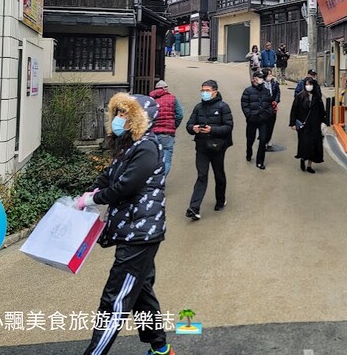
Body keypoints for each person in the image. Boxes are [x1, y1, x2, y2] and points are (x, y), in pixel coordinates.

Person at [75, 93, 171, 355]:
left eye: (124, 114)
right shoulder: (129, 146)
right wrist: (85, 195)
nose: (119, 119)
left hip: (140, 233)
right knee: (141, 292)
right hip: (133, 230)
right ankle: (161, 348)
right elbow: (108, 177)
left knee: (115, 300)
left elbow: (125, 187)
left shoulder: (147, 147)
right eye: (116, 113)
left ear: (139, 118)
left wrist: (93, 198)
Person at [185, 79, 233, 221]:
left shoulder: (223, 107)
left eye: (207, 91)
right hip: (201, 146)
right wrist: (193, 128)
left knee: (219, 174)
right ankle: (194, 208)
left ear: (215, 91)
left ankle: (220, 199)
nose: (204, 93)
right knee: (202, 175)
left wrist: (213, 130)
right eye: (202, 90)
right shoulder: (198, 107)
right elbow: (189, 125)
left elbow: (228, 126)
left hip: (218, 146)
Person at [290, 78, 326, 173]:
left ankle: (309, 165)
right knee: (304, 144)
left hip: (314, 125)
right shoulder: (300, 96)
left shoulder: (317, 98)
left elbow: (322, 112)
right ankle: (303, 158)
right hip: (303, 125)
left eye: (310, 84)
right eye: (306, 84)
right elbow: (294, 110)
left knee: (313, 145)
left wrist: (323, 122)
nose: (308, 86)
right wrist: (293, 123)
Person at [241, 70, 274, 169]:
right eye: (258, 77)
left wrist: (268, 113)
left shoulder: (266, 91)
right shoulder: (248, 91)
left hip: (263, 120)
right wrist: (249, 115)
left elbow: (269, 104)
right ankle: (249, 152)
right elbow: (244, 105)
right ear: (254, 79)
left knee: (263, 140)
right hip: (252, 120)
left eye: (261, 77)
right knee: (250, 139)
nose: (260, 79)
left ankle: (260, 161)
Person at [150, 79, 183, 176]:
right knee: (166, 160)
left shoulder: (151, 100)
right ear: (165, 89)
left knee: (153, 160)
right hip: (167, 134)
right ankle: (161, 180)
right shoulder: (172, 98)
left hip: (153, 134)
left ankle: (151, 181)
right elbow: (180, 115)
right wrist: (173, 126)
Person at [263, 68, 281, 151]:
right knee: (264, 125)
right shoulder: (261, 84)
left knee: (271, 124)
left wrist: (276, 101)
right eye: (268, 74)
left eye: (271, 74)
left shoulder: (274, 83)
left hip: (272, 106)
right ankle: (263, 141)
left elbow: (277, 93)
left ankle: (268, 139)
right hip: (264, 108)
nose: (270, 76)